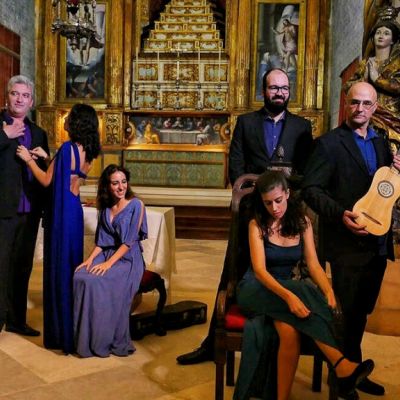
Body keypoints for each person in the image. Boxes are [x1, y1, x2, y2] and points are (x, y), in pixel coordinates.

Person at [177, 68, 313, 365]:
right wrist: (258, 197)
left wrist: (283, 198)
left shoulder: (302, 127)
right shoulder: (246, 122)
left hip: (286, 218)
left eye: (284, 88)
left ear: (289, 91)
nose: (279, 93)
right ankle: (213, 344)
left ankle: (278, 342)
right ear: (264, 91)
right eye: (274, 88)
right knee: (232, 272)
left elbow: (305, 172)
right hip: (250, 215)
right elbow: (236, 167)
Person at [233, 171, 374, 400]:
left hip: (283, 291)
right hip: (255, 289)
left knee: (289, 333)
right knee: (303, 290)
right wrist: (289, 297)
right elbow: (259, 271)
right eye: (268, 203)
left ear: (288, 194)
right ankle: (341, 364)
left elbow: (314, 265)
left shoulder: (302, 222)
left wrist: (328, 290)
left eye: (278, 200)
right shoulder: (256, 224)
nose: (274, 208)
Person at [302, 81, 400, 398]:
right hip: (345, 244)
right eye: (355, 102)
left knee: (361, 312)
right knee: (344, 314)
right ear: (346, 103)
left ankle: (352, 370)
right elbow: (311, 190)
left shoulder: (382, 144)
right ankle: (342, 379)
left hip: (377, 243)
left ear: (375, 107)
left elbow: (384, 189)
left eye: (367, 104)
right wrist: (340, 214)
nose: (360, 109)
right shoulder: (328, 144)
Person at [16, 103, 101, 353]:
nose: (65, 121)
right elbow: (71, 175)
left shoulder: (66, 148)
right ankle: (71, 330)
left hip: (61, 213)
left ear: (76, 123)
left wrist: (28, 160)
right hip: (74, 211)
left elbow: (46, 180)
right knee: (71, 265)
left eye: (70, 117)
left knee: (59, 268)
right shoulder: (90, 151)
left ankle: (58, 334)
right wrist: (46, 158)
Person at [73, 164, 147, 357]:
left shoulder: (136, 205)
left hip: (128, 260)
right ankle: (84, 339)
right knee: (81, 276)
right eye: (115, 183)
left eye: (124, 182)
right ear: (107, 185)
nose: (121, 187)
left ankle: (102, 339)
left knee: (97, 281)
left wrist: (108, 264)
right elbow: (101, 242)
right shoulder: (106, 207)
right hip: (108, 254)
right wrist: (89, 260)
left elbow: (129, 242)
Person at [0, 75, 49, 336]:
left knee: (22, 268)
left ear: (31, 102)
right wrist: (3, 136)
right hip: (3, 211)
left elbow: (46, 175)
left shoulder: (39, 133)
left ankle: (16, 320)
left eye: (25, 95)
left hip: (29, 212)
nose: (20, 99)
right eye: (15, 94)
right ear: (6, 96)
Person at [344, 18, 400, 146]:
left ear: (392, 40)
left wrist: (377, 79)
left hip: (391, 114)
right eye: (378, 33)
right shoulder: (365, 63)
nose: (381, 36)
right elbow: (347, 87)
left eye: (386, 33)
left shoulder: (397, 64)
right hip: (368, 112)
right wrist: (363, 82)